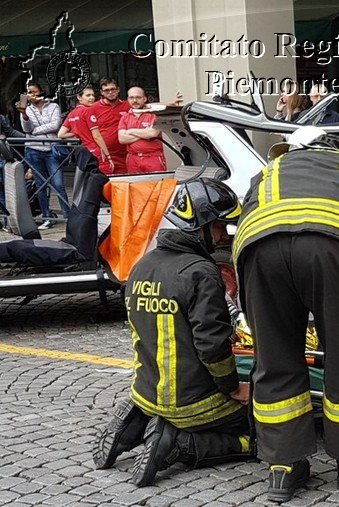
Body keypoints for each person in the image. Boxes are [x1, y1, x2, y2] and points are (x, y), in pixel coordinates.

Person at [233, 126, 339, 503]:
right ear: (336, 147)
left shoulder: (269, 171)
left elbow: (241, 226)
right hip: (332, 249)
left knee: (274, 359)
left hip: (261, 252)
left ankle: (284, 466)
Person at [94, 178, 254, 487]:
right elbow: (210, 345)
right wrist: (234, 388)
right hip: (191, 402)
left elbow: (167, 324)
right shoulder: (201, 272)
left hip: (146, 388)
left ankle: (138, 419)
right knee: (262, 429)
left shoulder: (142, 265)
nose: (223, 234)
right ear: (200, 226)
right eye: (219, 225)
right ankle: (178, 444)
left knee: (161, 399)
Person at [19, 82, 68, 229]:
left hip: (51, 149)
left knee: (58, 184)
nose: (32, 95)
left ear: (41, 92)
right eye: (29, 92)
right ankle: (47, 217)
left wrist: (35, 131)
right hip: (33, 150)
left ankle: (68, 215)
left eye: (34, 92)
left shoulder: (53, 106)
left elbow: (55, 125)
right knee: (40, 185)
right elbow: (26, 128)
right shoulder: (27, 109)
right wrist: (24, 115)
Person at [118, 87, 168, 174]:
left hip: (153, 157)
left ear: (144, 99)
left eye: (138, 97)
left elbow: (153, 133)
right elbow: (122, 139)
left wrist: (130, 131)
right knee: (135, 186)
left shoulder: (154, 115)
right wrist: (144, 133)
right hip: (132, 159)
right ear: (128, 99)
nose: (135, 100)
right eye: (131, 97)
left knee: (156, 185)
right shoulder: (125, 117)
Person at [88, 78, 131, 174]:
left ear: (118, 90)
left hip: (125, 154)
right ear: (101, 92)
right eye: (107, 90)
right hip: (104, 156)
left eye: (113, 89)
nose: (110, 92)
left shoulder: (128, 105)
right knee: (105, 185)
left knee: (123, 184)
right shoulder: (93, 108)